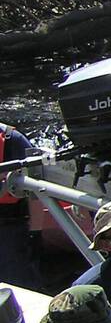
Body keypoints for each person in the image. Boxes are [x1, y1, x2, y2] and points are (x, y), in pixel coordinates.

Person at [0, 120, 39, 288]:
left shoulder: (12, 141)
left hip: (10, 224)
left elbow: (37, 189)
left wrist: (36, 234)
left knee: (17, 284)